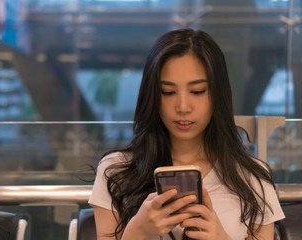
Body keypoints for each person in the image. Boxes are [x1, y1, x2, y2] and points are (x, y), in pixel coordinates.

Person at [88, 28, 285, 240]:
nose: (183, 107)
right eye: (168, 92)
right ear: (153, 95)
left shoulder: (252, 179)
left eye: (197, 91)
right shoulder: (117, 171)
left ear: (217, 95)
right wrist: (137, 233)